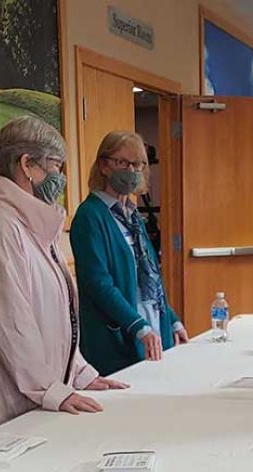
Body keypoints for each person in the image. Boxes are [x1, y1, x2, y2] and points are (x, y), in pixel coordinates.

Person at [0, 116, 127, 422]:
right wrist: (51, 390)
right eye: (55, 166)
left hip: (42, 398)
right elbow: (10, 324)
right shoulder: (0, 229)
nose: (59, 176)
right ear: (27, 164)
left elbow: (57, 320)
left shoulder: (35, 227)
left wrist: (80, 373)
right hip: (11, 409)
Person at [70, 131, 187, 376]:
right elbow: (98, 283)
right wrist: (138, 327)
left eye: (138, 164)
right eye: (123, 162)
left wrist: (172, 319)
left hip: (152, 327)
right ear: (104, 165)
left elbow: (150, 275)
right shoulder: (90, 216)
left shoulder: (132, 215)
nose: (132, 170)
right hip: (120, 335)